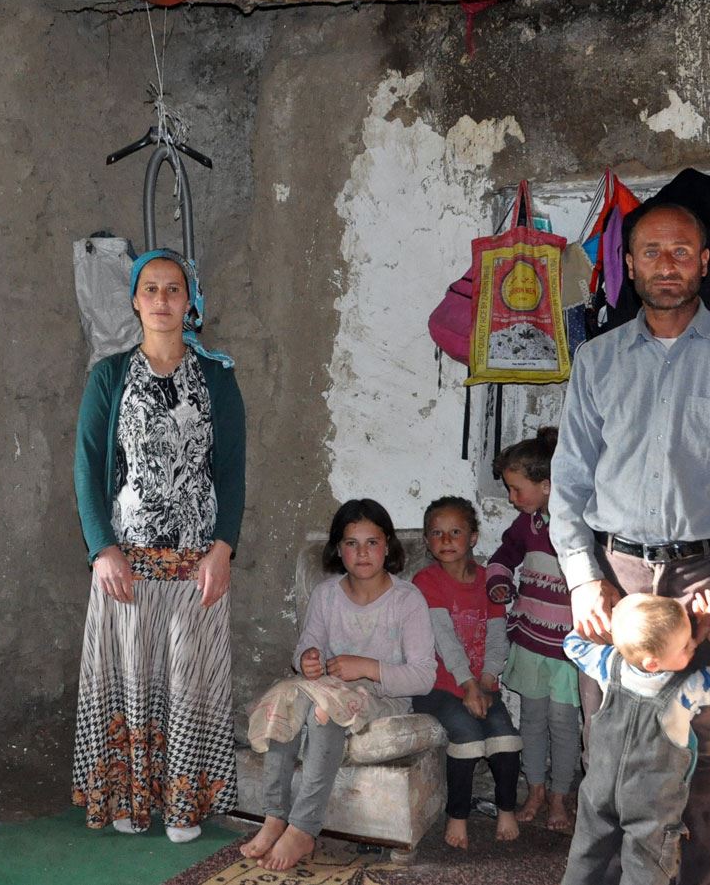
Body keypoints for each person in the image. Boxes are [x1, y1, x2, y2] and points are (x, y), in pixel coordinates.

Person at [549, 199, 710, 885]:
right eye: (651, 251)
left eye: (682, 251)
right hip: (615, 577)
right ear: (628, 264)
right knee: (611, 743)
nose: (666, 264)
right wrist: (582, 577)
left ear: (704, 262)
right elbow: (569, 481)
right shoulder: (597, 360)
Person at [70, 248, 246, 842]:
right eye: (151, 288)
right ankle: (127, 798)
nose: (162, 299)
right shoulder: (109, 376)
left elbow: (232, 471)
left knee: (186, 685)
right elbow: (88, 466)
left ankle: (182, 807)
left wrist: (223, 548)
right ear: (134, 301)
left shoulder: (217, 378)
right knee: (129, 681)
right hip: (128, 567)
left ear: (190, 301)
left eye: (174, 289)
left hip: (196, 567)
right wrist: (102, 549)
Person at [240, 498, 437, 871]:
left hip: (383, 697)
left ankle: (303, 828)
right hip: (329, 688)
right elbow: (305, 647)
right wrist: (308, 659)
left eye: (372, 542)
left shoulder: (407, 600)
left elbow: (424, 676)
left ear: (388, 546)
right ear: (338, 549)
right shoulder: (326, 594)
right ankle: (275, 816)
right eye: (351, 543)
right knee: (285, 699)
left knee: (323, 711)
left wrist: (367, 667)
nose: (362, 553)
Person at [562, 593, 710, 885]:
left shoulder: (608, 664)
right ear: (652, 663)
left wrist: (613, 625)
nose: (693, 644)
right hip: (652, 805)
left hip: (598, 791)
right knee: (645, 872)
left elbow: (572, 644)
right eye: (685, 645)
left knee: (585, 857)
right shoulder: (686, 689)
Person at [410, 495, 522, 848]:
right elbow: (443, 638)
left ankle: (506, 808)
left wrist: (487, 681)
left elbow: (497, 636)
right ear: (427, 540)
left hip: (482, 684)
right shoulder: (426, 581)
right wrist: (468, 684)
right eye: (437, 533)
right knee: (467, 734)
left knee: (505, 736)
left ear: (473, 537)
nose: (445, 540)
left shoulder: (490, 580)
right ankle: (457, 815)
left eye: (455, 532)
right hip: (439, 686)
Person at [486, 426, 579, 833]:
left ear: (547, 485)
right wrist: (499, 582)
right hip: (530, 642)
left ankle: (560, 795)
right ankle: (536, 790)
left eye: (515, 489)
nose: (511, 498)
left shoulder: (580, 523)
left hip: (569, 649)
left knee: (564, 725)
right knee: (532, 721)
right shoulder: (527, 525)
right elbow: (502, 556)